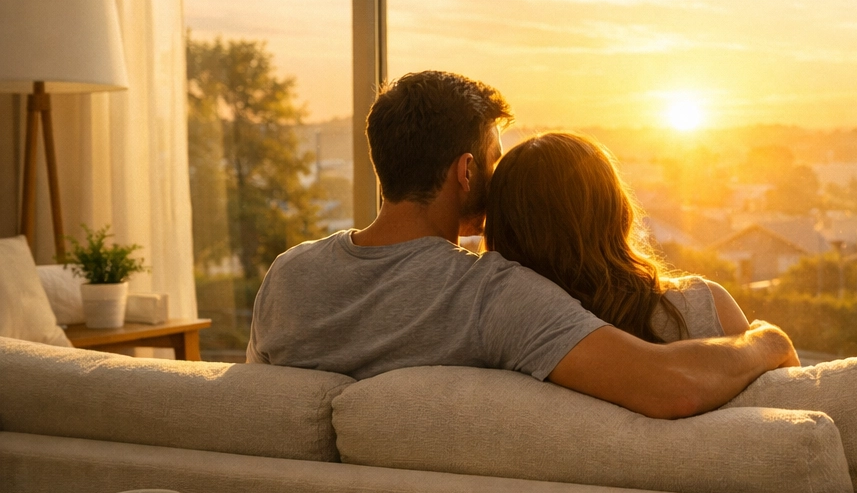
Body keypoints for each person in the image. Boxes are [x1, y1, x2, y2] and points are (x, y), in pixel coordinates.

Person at [247, 71, 796, 418]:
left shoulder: (288, 276)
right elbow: (668, 387)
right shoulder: (491, 294)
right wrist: (765, 342)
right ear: (466, 172)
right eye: (493, 160)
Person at [482, 131, 748, 347]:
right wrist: (770, 341)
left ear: (502, 227)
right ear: (618, 210)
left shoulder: (500, 331)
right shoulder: (704, 306)